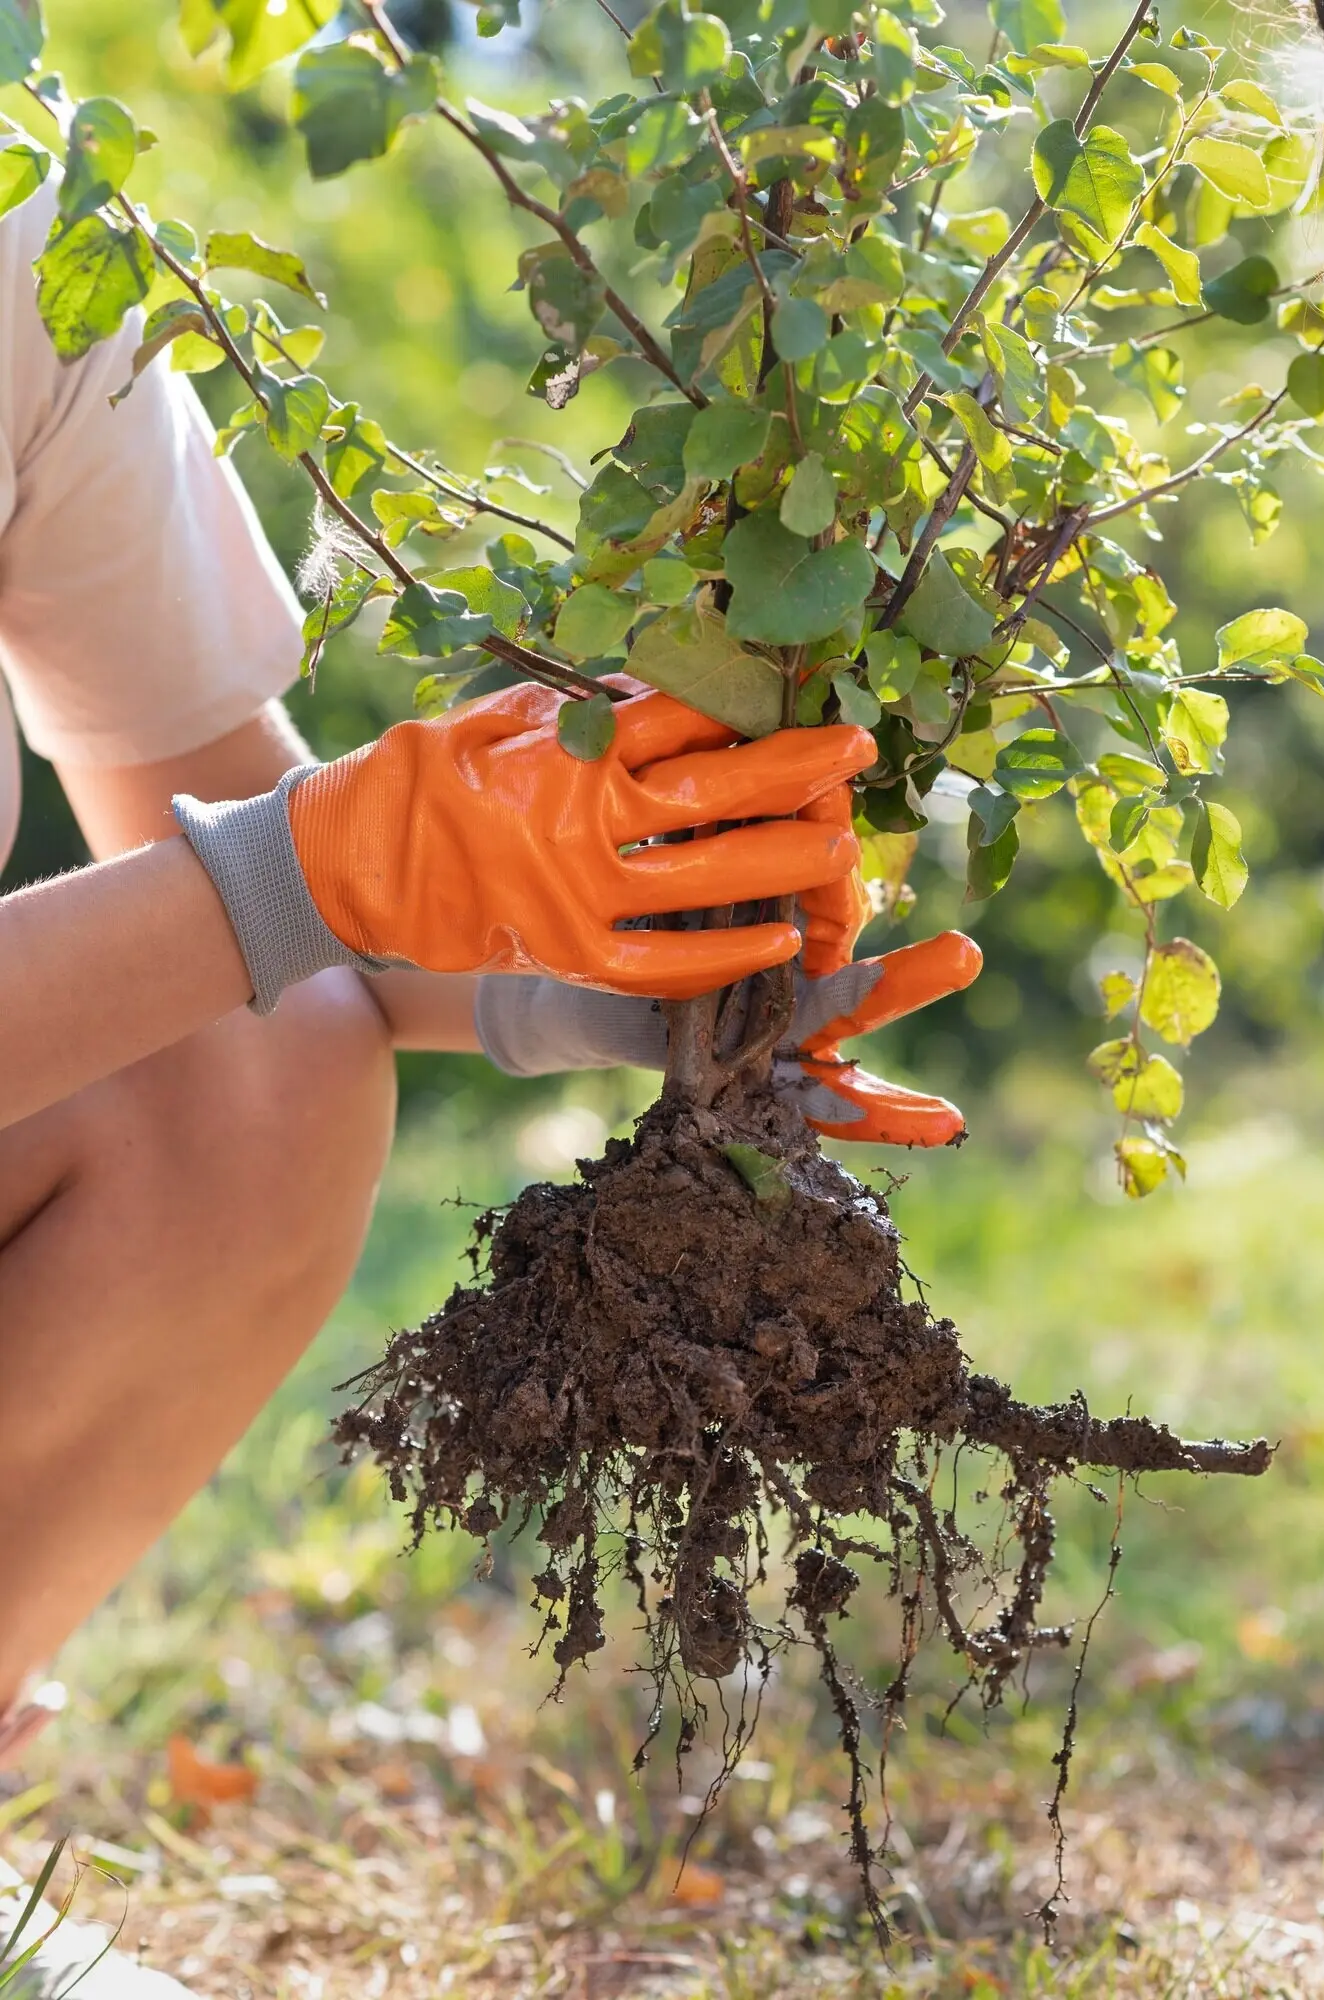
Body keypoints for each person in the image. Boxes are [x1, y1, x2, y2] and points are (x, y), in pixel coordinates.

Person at [0, 169, 978, 1991]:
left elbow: (240, 888)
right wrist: (325, 864)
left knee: (267, 1065)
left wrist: (598, 964)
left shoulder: (20, 254)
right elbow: (281, 879)